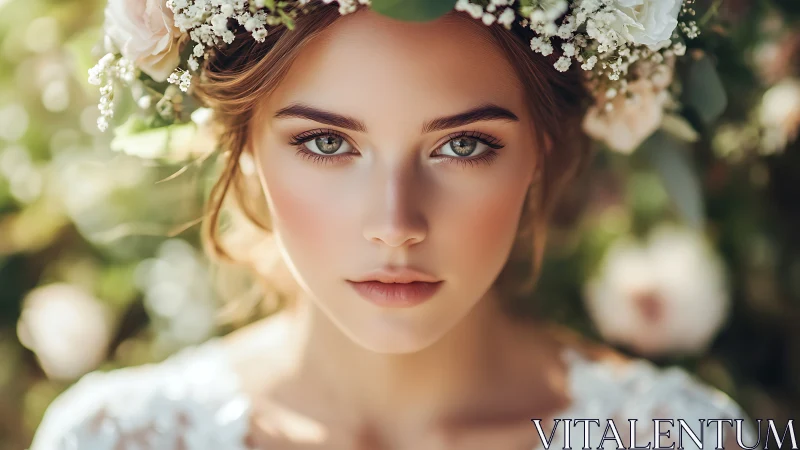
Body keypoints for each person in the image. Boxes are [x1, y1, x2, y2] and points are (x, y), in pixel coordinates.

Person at [29, 1, 756, 449]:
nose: (395, 224)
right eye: (327, 143)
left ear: (544, 147)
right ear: (243, 145)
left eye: (463, 145)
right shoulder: (113, 440)